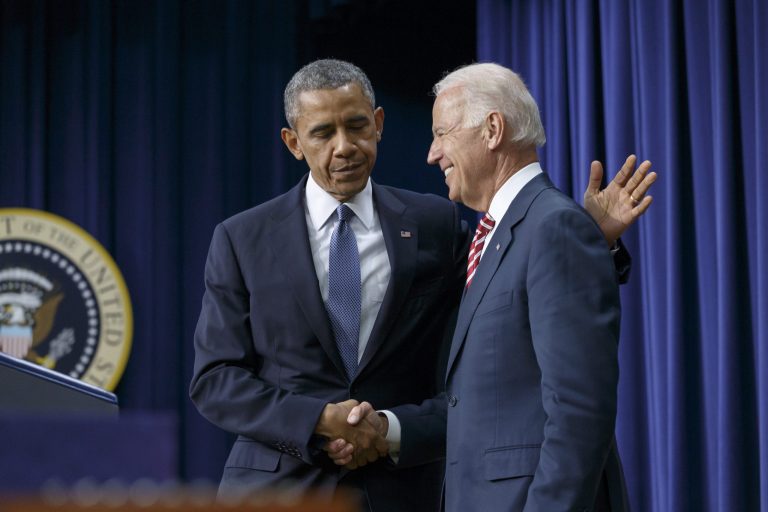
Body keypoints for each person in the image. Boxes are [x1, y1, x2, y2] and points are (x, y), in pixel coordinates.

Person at [190, 59, 655, 511]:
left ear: (378, 123)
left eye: (356, 127)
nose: (344, 146)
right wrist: (318, 421)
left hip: (400, 487)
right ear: (293, 142)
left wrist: (588, 240)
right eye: (322, 133)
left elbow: (494, 326)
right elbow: (216, 380)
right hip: (280, 489)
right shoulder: (242, 238)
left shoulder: (436, 223)